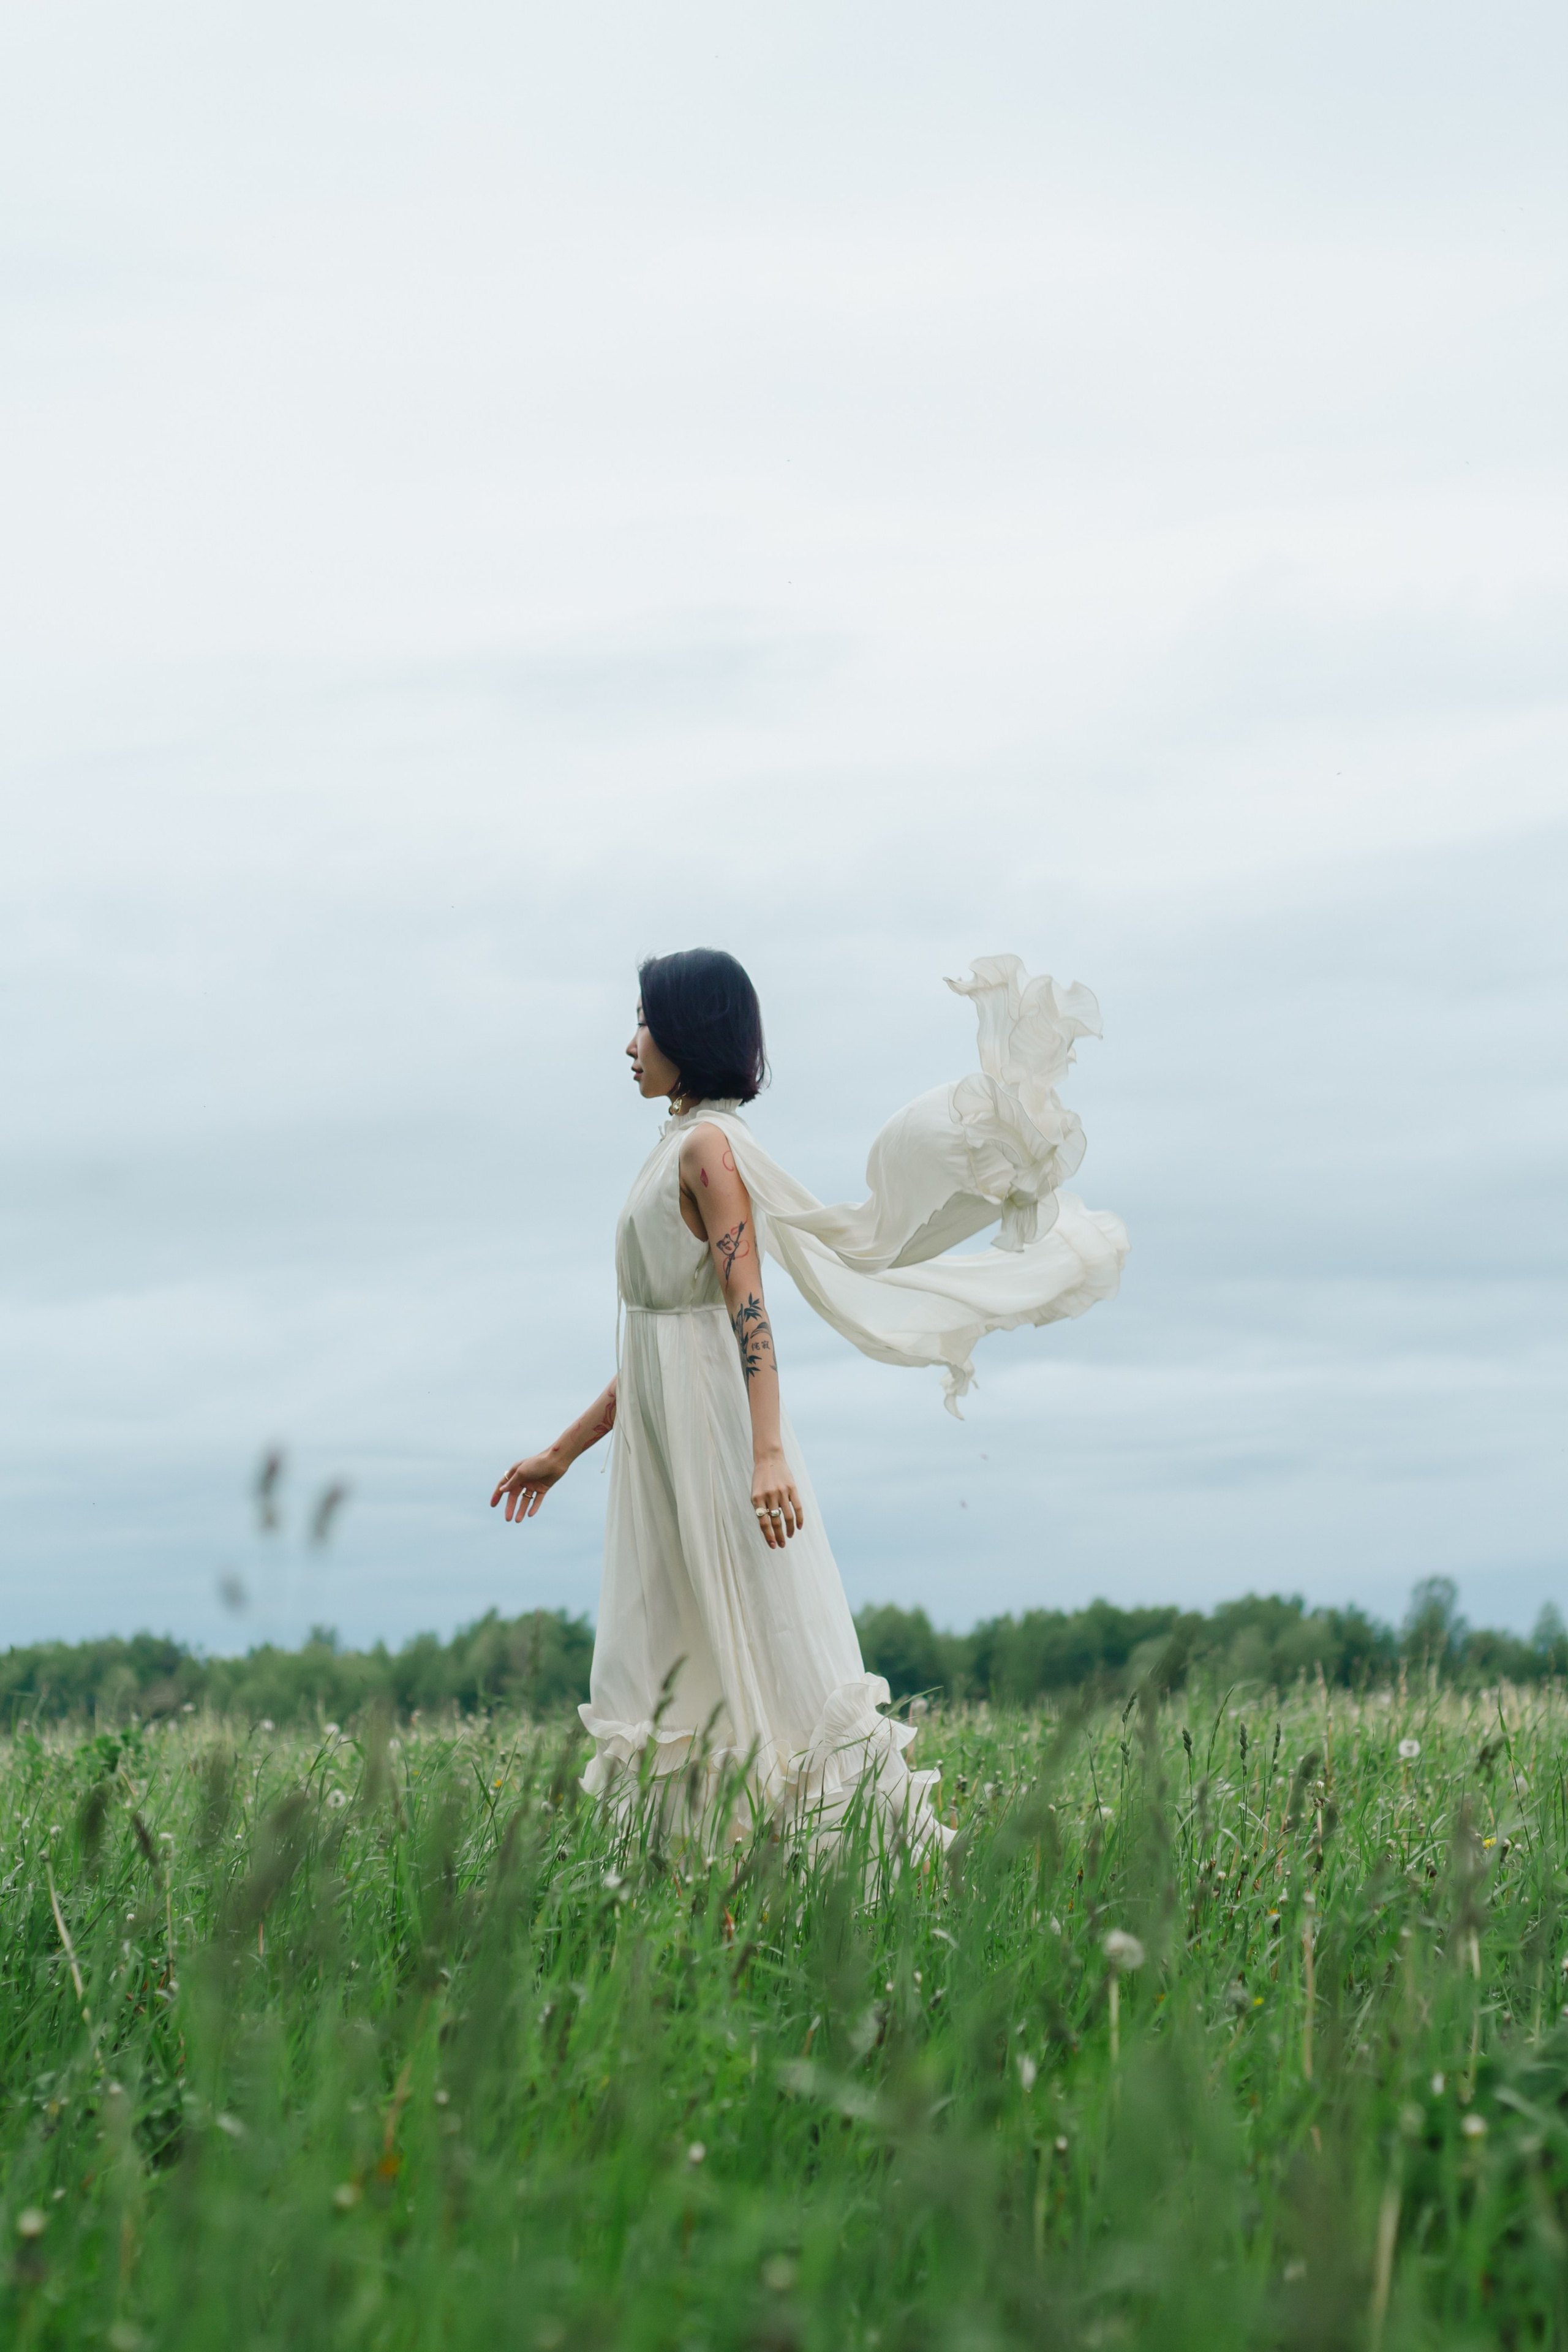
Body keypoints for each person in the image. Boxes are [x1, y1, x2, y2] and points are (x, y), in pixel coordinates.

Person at [491, 949, 1128, 1850]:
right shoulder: (675, 1148)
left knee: (762, 1628)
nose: (630, 1044)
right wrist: (565, 1449)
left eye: (645, 1022)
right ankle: (703, 1861)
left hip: (714, 1438)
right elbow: (657, 1336)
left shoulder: (710, 1150)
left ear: (688, 1034)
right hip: (664, 1445)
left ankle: (837, 1850)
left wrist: (767, 1452)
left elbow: (746, 1306)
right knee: (682, 1643)